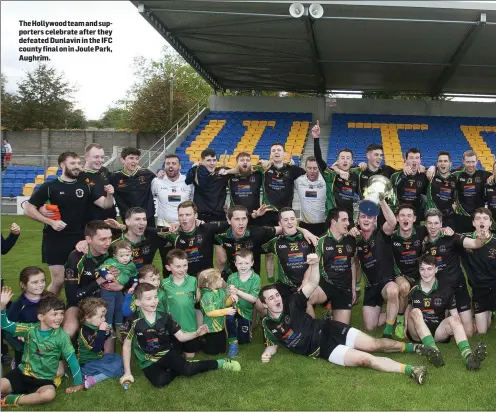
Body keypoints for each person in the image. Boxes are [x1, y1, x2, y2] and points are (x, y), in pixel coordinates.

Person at [259, 254, 429, 384]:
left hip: (329, 328)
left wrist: (315, 264)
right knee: (365, 359)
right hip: (323, 350)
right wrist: (267, 353)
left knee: (374, 344)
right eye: (271, 298)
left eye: (277, 295)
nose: (276, 299)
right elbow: (273, 344)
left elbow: (312, 284)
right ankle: (412, 370)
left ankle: (415, 348)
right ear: (265, 305)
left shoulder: (292, 302)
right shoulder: (267, 324)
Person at [24, 151, 114, 295]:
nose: (77, 166)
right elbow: (28, 209)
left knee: (80, 278)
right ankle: (49, 309)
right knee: (58, 280)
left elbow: (106, 205)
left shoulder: (85, 186)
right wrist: (50, 222)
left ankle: (75, 308)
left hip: (79, 239)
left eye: (78, 163)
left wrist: (110, 194)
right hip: (55, 239)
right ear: (62, 164)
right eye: (72, 163)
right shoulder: (50, 186)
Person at [120, 283, 241, 389]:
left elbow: (181, 337)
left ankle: (221, 363)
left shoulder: (164, 317)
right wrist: (127, 373)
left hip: (167, 352)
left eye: (156, 297)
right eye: (149, 298)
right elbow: (126, 347)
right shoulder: (133, 321)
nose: (154, 301)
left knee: (188, 370)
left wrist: (196, 333)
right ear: (137, 302)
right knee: (160, 382)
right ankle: (178, 368)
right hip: (148, 361)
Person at [0, 287, 84, 407]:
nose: (59, 317)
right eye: (55, 314)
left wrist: (78, 383)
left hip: (44, 380)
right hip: (22, 373)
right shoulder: (29, 330)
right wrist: (2, 307)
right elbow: (4, 325)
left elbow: (72, 360)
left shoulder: (62, 337)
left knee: (49, 394)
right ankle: (17, 394)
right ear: (40, 317)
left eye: (61, 314)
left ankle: (9, 400)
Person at [406, 255, 487, 371]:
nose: (426, 273)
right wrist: (405, 326)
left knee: (455, 319)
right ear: (418, 270)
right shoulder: (413, 288)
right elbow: (408, 309)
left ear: (436, 270)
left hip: (438, 331)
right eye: (422, 269)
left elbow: (454, 315)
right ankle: (434, 351)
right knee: (415, 311)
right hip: (417, 334)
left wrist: (453, 327)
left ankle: (469, 357)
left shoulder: (446, 289)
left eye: (429, 269)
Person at [423, 208, 489, 338]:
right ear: (425, 224)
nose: (433, 227)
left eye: (436, 223)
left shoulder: (451, 237)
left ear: (441, 223)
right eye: (430, 223)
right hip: (439, 291)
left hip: (458, 288)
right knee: (437, 329)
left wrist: (481, 239)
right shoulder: (423, 242)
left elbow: (474, 244)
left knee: (469, 333)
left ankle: (481, 316)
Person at [349, 195, 400, 338]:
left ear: (374, 220)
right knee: (370, 326)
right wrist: (354, 287)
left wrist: (382, 201)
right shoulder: (355, 239)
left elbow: (392, 222)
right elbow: (354, 263)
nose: (366, 220)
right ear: (358, 220)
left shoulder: (382, 233)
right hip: (371, 287)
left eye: (369, 217)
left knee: (392, 291)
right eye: (363, 217)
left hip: (386, 283)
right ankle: (397, 311)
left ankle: (388, 332)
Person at [63, 220, 114, 340]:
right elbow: (72, 297)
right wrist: (99, 281)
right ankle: (62, 356)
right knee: (69, 330)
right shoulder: (76, 258)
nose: (108, 243)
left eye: (110, 238)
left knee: (107, 348)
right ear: (89, 239)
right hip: (80, 303)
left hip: (106, 302)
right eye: (102, 239)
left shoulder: (113, 252)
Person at [308, 208, 357, 323]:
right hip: (327, 285)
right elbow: (312, 267)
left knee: (341, 329)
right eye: (344, 220)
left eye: (348, 220)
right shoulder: (321, 241)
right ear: (334, 222)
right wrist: (308, 285)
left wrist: (353, 288)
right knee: (305, 298)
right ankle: (313, 329)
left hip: (344, 288)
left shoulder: (351, 240)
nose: (348, 223)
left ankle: (330, 310)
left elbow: (352, 264)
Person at [162, 201, 229, 276]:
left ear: (196, 215)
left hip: (206, 280)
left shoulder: (207, 229)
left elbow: (230, 222)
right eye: (181, 215)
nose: (184, 218)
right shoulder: (172, 233)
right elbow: (150, 231)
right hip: (185, 281)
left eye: (188, 215)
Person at [312, 120, 359, 227]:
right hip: (333, 218)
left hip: (349, 219)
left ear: (352, 162)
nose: (345, 160)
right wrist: (316, 138)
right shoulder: (330, 174)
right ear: (337, 160)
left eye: (348, 158)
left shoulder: (356, 176)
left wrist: (362, 165)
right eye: (342, 158)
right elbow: (318, 158)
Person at [262, 207, 317, 298]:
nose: (290, 222)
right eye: (286, 220)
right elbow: (269, 257)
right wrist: (270, 278)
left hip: (308, 283)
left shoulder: (308, 239)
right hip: (285, 286)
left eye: (292, 219)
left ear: (296, 220)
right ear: (280, 223)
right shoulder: (274, 242)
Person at [152, 154, 193, 269]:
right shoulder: (156, 182)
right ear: (164, 166)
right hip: (164, 227)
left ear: (179, 166)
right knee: (167, 262)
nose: (171, 166)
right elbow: (148, 198)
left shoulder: (188, 181)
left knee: (186, 261)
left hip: (184, 227)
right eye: (168, 164)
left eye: (174, 163)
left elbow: (194, 203)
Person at [215, 205, 278, 280]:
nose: (241, 223)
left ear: (247, 220)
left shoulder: (257, 232)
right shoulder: (221, 234)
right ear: (229, 221)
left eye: (244, 219)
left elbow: (278, 229)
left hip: (252, 278)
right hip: (230, 276)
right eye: (237, 219)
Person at [460, 207, 496, 338]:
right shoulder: (465, 241)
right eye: (478, 218)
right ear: (473, 223)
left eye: (485, 219)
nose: (482, 221)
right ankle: (489, 313)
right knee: (482, 331)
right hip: (479, 290)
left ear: (490, 223)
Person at [4, 267, 48, 369]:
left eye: (42, 281)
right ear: (23, 285)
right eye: (35, 282)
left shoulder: (49, 299)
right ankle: (19, 360)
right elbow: (7, 328)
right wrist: (19, 336)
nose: (40, 285)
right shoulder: (18, 305)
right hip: (25, 338)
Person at [77, 297, 124, 389]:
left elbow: (102, 339)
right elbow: (97, 348)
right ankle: (94, 379)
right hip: (87, 364)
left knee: (120, 359)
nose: (104, 319)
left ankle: (98, 374)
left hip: (99, 358)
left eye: (104, 316)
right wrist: (102, 332)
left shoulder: (94, 326)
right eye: (101, 316)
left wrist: (106, 333)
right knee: (117, 369)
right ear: (87, 318)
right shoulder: (85, 332)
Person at [161, 249, 201, 358]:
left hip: (191, 327)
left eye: (185, 265)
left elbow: (199, 303)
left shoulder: (193, 281)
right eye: (178, 266)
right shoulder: (164, 284)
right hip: (173, 330)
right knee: (175, 357)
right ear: (168, 267)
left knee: (190, 357)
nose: (182, 269)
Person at [109, 147, 156, 228]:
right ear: (122, 160)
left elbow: (160, 180)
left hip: (147, 219)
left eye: (137, 159)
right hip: (128, 220)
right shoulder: (114, 177)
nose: (134, 161)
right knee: (130, 241)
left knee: (150, 240)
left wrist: (161, 174)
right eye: (131, 158)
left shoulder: (147, 174)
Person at [226, 249, 261, 358]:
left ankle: (251, 322)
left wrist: (238, 292)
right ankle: (233, 344)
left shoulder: (255, 278)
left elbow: (254, 299)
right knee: (229, 317)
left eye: (246, 263)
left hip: (247, 312)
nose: (243, 266)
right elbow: (226, 297)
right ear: (235, 264)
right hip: (234, 308)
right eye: (240, 263)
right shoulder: (231, 278)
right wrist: (231, 295)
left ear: (252, 263)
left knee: (244, 341)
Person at [97, 240, 137, 336]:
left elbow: (134, 276)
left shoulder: (131, 266)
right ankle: (108, 326)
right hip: (107, 290)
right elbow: (101, 268)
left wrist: (135, 284)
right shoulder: (110, 262)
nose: (125, 258)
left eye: (128, 255)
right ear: (115, 255)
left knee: (119, 307)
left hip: (119, 291)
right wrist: (106, 275)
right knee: (109, 308)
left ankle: (119, 325)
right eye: (122, 256)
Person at [450, 150, 492, 233]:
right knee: (461, 243)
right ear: (463, 161)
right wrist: (432, 168)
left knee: (478, 242)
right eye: (468, 162)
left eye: (473, 162)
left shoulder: (484, 175)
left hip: (478, 218)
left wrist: (493, 175)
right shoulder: (456, 174)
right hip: (461, 216)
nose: (470, 165)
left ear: (477, 161)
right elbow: (442, 172)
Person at [185, 148, 232, 223]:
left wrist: (228, 171)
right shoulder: (196, 171)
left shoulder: (222, 173)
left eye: (214, 160)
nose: (212, 163)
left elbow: (241, 172)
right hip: (201, 218)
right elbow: (186, 180)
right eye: (208, 160)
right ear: (201, 161)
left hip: (219, 218)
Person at [198, 268, 236, 355]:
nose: (222, 279)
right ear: (209, 284)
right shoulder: (207, 296)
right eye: (219, 278)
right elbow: (210, 312)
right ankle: (200, 343)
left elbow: (224, 304)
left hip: (221, 326)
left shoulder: (220, 291)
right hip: (211, 329)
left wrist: (232, 298)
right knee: (212, 352)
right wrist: (225, 311)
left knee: (222, 350)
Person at [390, 148, 427, 220]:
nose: (414, 160)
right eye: (411, 158)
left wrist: (431, 168)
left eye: (417, 158)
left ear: (420, 160)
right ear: (406, 160)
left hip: (417, 215)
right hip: (399, 214)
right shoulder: (396, 175)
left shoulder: (424, 176)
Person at [294, 156, 327, 236]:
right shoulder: (299, 181)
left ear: (319, 168)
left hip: (323, 225)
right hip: (305, 225)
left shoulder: (325, 181)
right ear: (305, 168)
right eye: (309, 168)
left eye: (315, 168)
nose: (312, 171)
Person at [227, 152, 264, 224]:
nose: (245, 162)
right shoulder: (229, 176)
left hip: (255, 215)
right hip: (236, 217)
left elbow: (268, 165)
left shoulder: (258, 175)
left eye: (247, 160)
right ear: (237, 163)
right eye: (242, 160)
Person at [426, 151, 457, 228]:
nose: (442, 163)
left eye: (445, 161)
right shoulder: (430, 176)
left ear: (450, 164)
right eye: (440, 161)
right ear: (437, 164)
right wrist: (431, 167)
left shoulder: (455, 179)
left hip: (451, 220)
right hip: (434, 220)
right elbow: (416, 169)